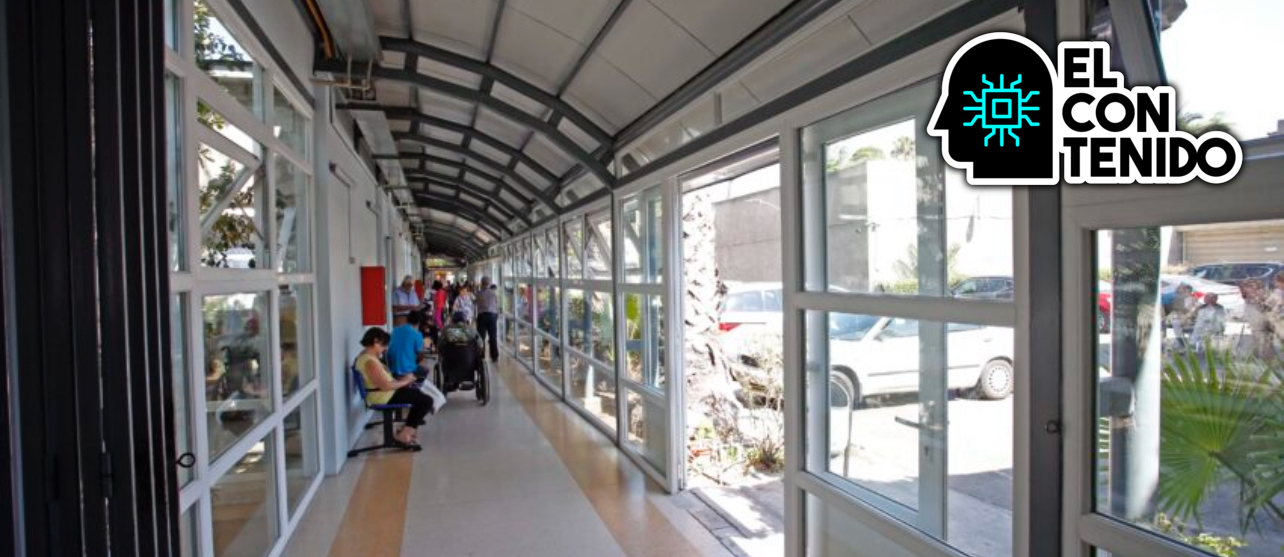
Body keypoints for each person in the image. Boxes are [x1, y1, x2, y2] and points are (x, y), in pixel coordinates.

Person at [355, 328, 432, 446]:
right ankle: (404, 434)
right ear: (375, 341)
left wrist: (402, 380)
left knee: (418, 395)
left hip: (383, 393)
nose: (385, 348)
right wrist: (405, 382)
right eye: (384, 345)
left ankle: (406, 429)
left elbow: (383, 381)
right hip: (383, 396)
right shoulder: (370, 362)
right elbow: (385, 385)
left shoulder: (366, 356)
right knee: (426, 401)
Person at [389, 311, 430, 382]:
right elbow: (420, 354)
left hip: (392, 370)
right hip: (408, 371)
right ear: (419, 322)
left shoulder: (395, 331)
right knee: (425, 366)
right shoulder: (417, 334)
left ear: (407, 320)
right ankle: (415, 385)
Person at [475, 276, 500, 362]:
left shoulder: (478, 293)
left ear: (481, 283)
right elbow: (496, 304)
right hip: (492, 316)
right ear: (489, 283)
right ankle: (494, 356)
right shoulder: (493, 293)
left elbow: (475, 302)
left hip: (482, 316)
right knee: (493, 336)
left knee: (481, 337)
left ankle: (481, 355)